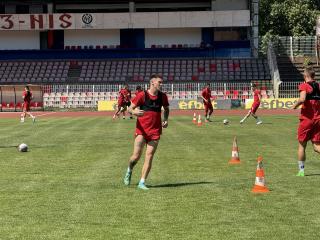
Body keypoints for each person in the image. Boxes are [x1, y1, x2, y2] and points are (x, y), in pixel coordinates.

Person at [123, 74, 170, 190]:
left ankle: (142, 182)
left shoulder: (163, 96)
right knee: (135, 157)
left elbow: (167, 109)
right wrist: (134, 112)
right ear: (152, 83)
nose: (161, 84)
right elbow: (130, 108)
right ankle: (129, 169)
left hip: (155, 131)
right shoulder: (142, 95)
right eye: (160, 82)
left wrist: (165, 119)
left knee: (149, 156)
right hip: (142, 131)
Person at [292, 67, 320, 177]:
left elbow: (302, 99)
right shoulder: (318, 86)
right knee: (317, 146)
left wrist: (295, 105)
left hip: (307, 120)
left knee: (302, 145)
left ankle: (301, 171)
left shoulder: (304, 85)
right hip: (318, 120)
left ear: (305, 76)